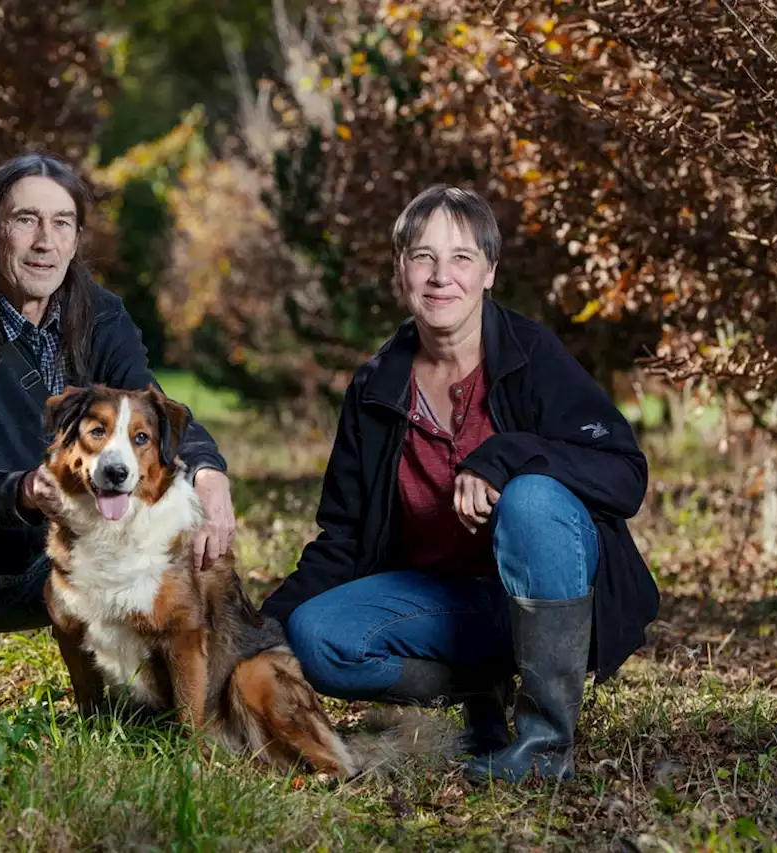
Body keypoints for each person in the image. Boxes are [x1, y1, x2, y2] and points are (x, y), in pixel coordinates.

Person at [259, 185, 658, 783]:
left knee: (533, 496)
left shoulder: (531, 355)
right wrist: (257, 632)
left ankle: (546, 746)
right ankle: (480, 696)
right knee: (315, 635)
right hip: (445, 606)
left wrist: (505, 454)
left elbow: (624, 474)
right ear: (401, 270)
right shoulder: (375, 388)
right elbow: (341, 536)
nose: (442, 276)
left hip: (549, 592)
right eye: (423, 257)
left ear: (490, 272)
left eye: (462, 258)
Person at [0, 152, 236, 720]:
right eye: (25, 220)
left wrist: (209, 470)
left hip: (70, 549)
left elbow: (150, 407)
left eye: (62, 223)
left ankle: (167, 705)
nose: (44, 241)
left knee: (192, 563)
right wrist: (23, 491)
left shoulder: (103, 318)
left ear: (77, 239)